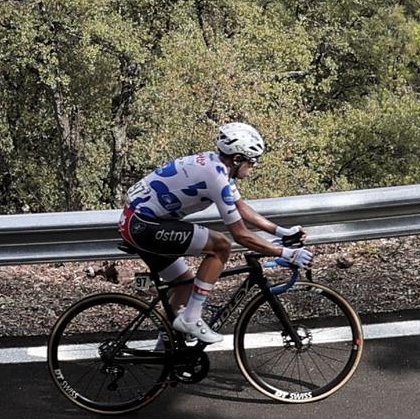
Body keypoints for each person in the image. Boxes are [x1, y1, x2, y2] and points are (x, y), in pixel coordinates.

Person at [119, 121, 311, 345]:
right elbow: (241, 235)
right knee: (221, 246)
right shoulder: (216, 177)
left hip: (140, 221)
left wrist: (281, 231)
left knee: (186, 284)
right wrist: (286, 253)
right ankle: (191, 319)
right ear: (237, 159)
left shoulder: (216, 164)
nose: (254, 165)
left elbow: (241, 207)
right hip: (144, 225)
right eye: (252, 160)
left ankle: (169, 351)